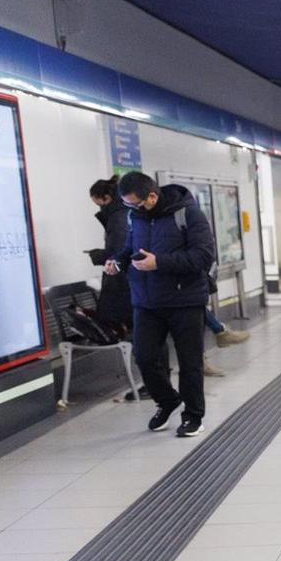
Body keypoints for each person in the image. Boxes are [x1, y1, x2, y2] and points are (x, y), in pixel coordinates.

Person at [105, 171, 216, 437]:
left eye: (136, 204)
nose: (132, 210)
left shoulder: (188, 215)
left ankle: (193, 416)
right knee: (143, 356)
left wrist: (160, 263)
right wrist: (117, 261)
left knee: (189, 362)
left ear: (152, 196)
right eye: (128, 205)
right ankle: (167, 401)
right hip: (147, 301)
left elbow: (204, 256)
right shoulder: (137, 218)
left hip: (185, 300)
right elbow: (131, 246)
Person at [86, 177, 133, 336]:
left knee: (115, 315)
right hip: (128, 275)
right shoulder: (126, 211)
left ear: (106, 198)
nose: (100, 209)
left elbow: (119, 250)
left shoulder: (118, 217)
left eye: (99, 204)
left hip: (121, 277)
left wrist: (97, 255)